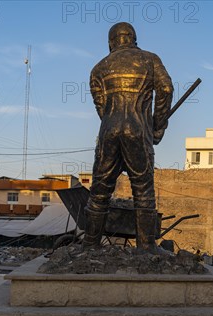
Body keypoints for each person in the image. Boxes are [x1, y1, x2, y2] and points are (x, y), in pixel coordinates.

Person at [82, 22, 174, 253]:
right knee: (143, 190)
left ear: (111, 41)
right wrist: (157, 125)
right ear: (133, 38)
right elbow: (166, 90)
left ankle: (90, 244)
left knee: (100, 191)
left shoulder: (98, 68)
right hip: (138, 131)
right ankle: (146, 247)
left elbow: (101, 107)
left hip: (108, 132)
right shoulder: (151, 59)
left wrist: (113, 123)